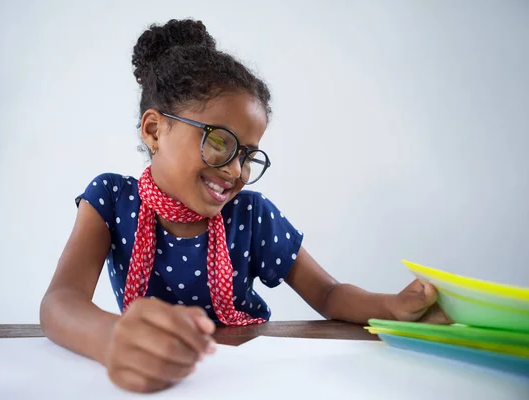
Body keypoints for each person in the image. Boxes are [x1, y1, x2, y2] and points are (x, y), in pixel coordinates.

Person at [39, 18, 450, 393]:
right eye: (219, 142)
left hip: (248, 381)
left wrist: (389, 307)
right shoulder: (111, 200)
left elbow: (327, 294)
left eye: (249, 156)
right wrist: (113, 339)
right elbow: (60, 302)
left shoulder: (252, 216)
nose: (235, 171)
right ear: (154, 130)